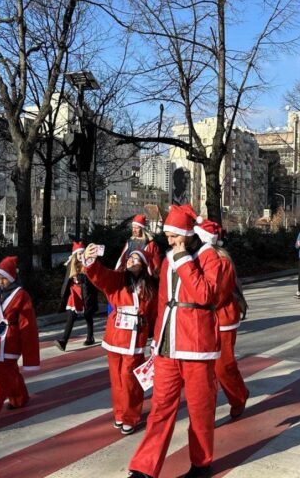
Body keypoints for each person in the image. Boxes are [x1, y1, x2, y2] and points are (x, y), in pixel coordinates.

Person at [128, 204, 220, 478]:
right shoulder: (168, 258)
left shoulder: (209, 257)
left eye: (172, 235)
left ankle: (201, 464)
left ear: (185, 233)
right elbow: (163, 303)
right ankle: (144, 468)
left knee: (200, 410)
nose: (167, 240)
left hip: (196, 347)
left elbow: (204, 295)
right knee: (160, 409)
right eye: (166, 235)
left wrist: (183, 259)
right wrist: (155, 340)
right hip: (167, 346)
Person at [83, 245, 157, 435]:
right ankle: (119, 413)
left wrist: (156, 339)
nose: (132, 261)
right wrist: (90, 261)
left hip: (135, 338)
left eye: (137, 259)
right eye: (130, 258)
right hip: (115, 336)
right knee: (116, 379)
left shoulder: (150, 288)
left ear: (144, 265)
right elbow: (100, 276)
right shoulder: (117, 279)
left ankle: (130, 416)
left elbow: (156, 315)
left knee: (129, 379)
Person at [194, 218, 249, 419]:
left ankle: (239, 395)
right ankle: (206, 409)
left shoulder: (222, 262)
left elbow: (216, 294)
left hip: (222, 318)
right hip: (201, 318)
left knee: (223, 366)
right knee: (203, 369)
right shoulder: (194, 258)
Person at [0, 256, 40, 422]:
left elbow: (27, 325)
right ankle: (20, 398)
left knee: (4, 376)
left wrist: (30, 355)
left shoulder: (22, 296)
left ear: (12, 277)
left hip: (12, 341)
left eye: (4, 278)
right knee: (8, 373)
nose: (1, 282)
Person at [56, 242, 99, 350]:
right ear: (75, 255)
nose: (81, 256)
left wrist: (84, 279)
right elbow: (67, 280)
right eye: (79, 254)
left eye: (82, 253)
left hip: (86, 293)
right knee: (71, 316)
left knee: (87, 315)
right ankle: (63, 341)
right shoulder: (71, 264)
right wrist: (63, 293)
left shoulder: (88, 264)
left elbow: (93, 280)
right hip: (74, 294)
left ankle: (90, 336)